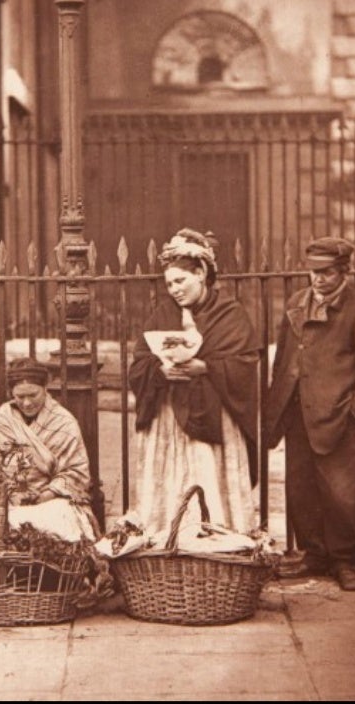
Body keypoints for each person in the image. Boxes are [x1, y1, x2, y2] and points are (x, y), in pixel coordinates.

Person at [263, 236, 355, 591]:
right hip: (298, 414)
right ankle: (314, 554)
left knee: (342, 494)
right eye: (313, 272)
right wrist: (278, 406)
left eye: (326, 273)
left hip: (339, 419)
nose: (317, 280)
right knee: (301, 490)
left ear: (344, 272)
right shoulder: (296, 304)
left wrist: (354, 414)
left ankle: (344, 561)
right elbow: (282, 361)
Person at [128, 228, 260, 534]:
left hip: (215, 419)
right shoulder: (162, 314)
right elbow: (139, 363)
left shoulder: (231, 314)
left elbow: (244, 365)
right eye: (169, 284)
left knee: (208, 479)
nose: (174, 290)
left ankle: (219, 537)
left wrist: (207, 367)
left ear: (201, 273)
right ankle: (168, 538)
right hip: (169, 420)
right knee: (172, 484)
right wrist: (159, 372)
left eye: (180, 281)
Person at [0, 357, 99, 541]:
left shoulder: (63, 422)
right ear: (11, 393)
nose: (26, 403)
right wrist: (5, 496)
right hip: (7, 501)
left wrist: (43, 496)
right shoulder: (2, 419)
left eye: (33, 395)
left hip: (49, 501)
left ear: (45, 389)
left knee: (58, 522)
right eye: (20, 396)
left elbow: (76, 473)